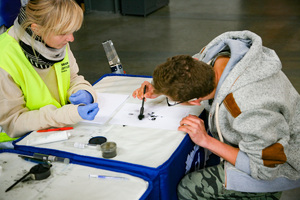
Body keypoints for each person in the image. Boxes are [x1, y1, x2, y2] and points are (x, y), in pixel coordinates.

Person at [132, 30, 300, 199]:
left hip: (285, 162)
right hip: (266, 135)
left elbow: (265, 170)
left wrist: (206, 140)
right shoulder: (216, 53)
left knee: (188, 188)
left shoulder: (247, 109)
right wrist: (159, 88)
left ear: (195, 101)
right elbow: (187, 70)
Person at [0, 0, 99, 148]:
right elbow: (14, 122)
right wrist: (66, 114)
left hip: (57, 130)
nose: (71, 38)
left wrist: (83, 90)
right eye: (64, 33)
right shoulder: (4, 57)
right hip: (20, 144)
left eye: (72, 31)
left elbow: (72, 77)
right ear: (37, 29)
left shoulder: (53, 40)